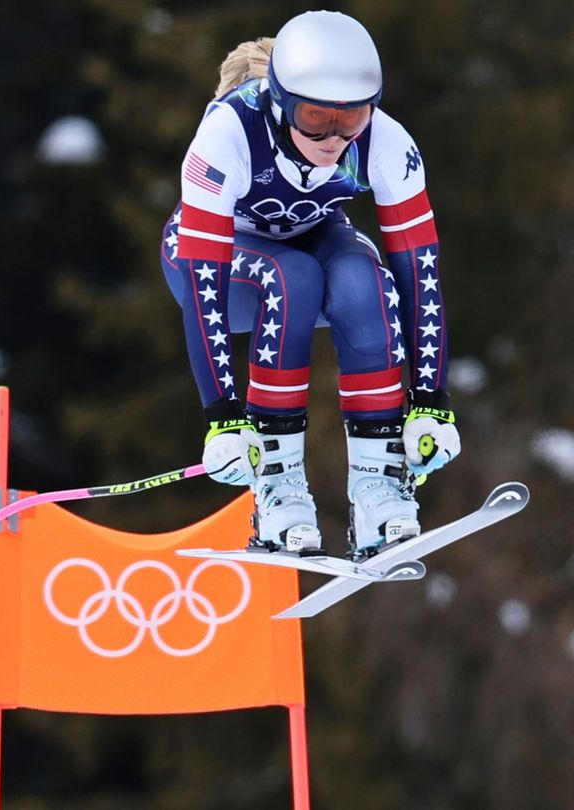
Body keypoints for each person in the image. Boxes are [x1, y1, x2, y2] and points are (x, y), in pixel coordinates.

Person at [160, 10, 460, 560]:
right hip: (221, 270)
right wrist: (222, 418)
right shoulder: (228, 134)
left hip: (314, 238)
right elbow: (205, 279)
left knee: (361, 279)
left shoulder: (385, 141)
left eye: (351, 120)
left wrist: (431, 401)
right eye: (316, 118)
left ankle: (378, 488)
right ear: (279, 104)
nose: (334, 137)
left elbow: (420, 271)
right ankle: (277, 487)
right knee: (291, 276)